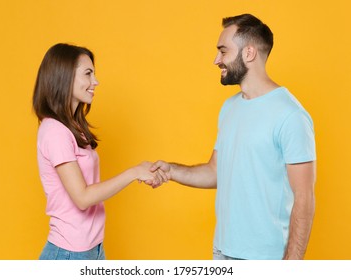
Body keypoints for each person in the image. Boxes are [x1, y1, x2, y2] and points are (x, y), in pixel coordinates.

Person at [148, 14, 316, 260]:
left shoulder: (290, 115)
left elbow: (304, 198)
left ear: (249, 53)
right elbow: (216, 171)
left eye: (223, 51)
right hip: (223, 251)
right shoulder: (230, 107)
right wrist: (171, 171)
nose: (216, 60)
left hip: (263, 259)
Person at [32, 43, 163, 260]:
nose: (96, 81)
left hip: (92, 248)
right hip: (68, 253)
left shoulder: (73, 128)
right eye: (88, 73)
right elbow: (82, 197)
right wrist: (134, 172)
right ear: (65, 77)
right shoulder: (54, 131)